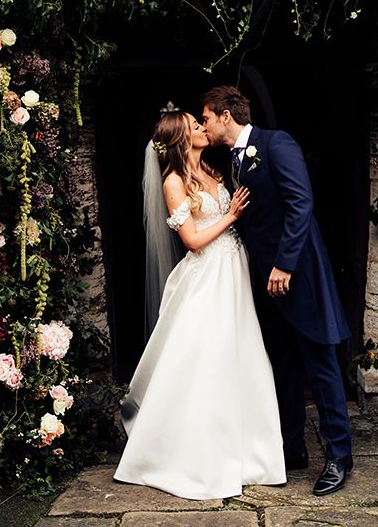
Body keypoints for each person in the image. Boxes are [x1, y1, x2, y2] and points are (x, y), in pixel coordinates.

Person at [113, 110, 286, 500]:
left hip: (233, 269)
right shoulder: (174, 181)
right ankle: (195, 453)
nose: (201, 128)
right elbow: (191, 239)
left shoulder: (213, 170)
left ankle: (250, 452)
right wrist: (230, 216)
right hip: (208, 276)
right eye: (194, 125)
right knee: (207, 358)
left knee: (240, 354)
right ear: (180, 138)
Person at [201, 85, 353, 497]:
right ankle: (292, 448)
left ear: (225, 116)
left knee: (320, 364)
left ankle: (339, 456)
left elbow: (301, 203)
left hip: (297, 273)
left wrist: (284, 263)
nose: (204, 125)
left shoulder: (276, 143)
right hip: (265, 282)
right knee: (281, 365)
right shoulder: (232, 161)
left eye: (207, 118)